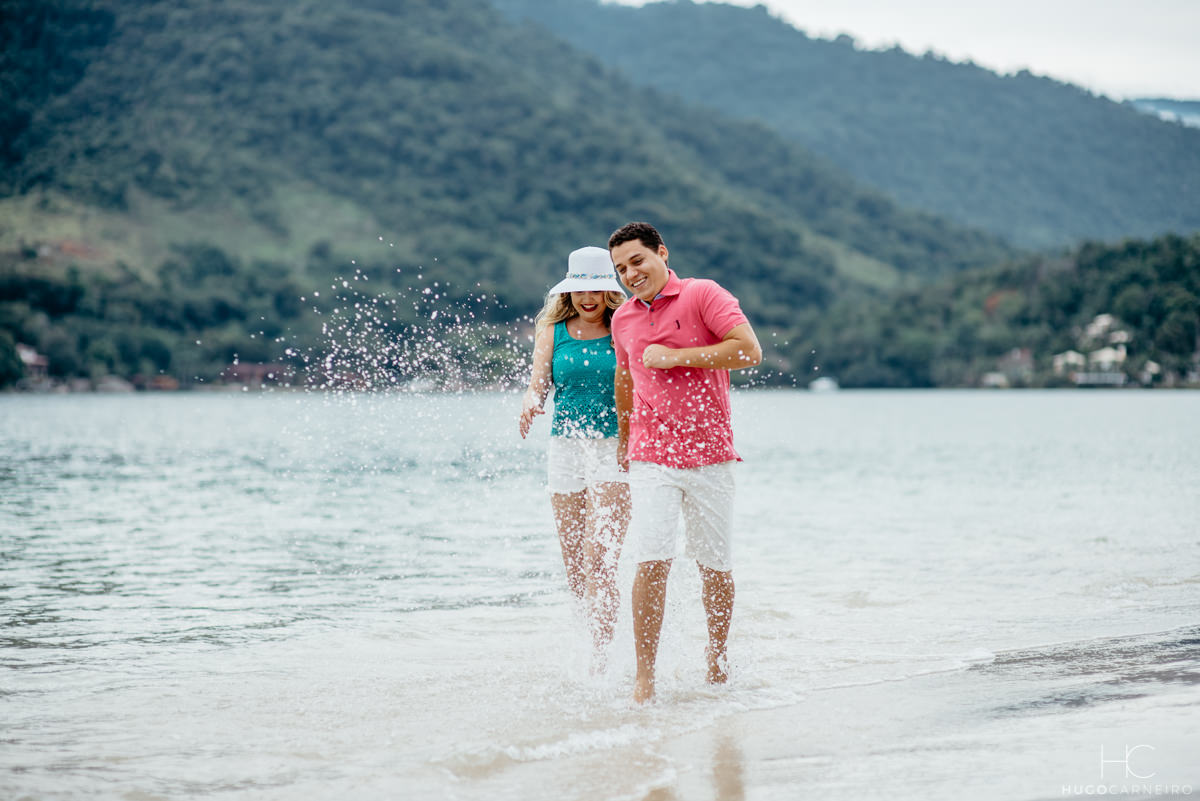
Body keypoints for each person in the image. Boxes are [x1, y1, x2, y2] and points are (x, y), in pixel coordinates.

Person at [608, 222, 762, 703]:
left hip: (712, 455)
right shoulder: (623, 319)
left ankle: (716, 663)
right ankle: (644, 680)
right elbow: (625, 377)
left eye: (637, 261)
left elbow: (748, 352)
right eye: (620, 269)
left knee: (714, 567)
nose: (631, 274)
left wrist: (677, 358)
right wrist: (624, 435)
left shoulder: (702, 294)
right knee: (651, 560)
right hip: (652, 455)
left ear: (661, 253)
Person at [519, 246, 632, 658]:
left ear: (608, 291)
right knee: (576, 568)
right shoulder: (554, 330)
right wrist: (531, 401)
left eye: (597, 290)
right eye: (581, 291)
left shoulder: (626, 324)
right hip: (565, 448)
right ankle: (591, 653)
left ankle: (604, 659)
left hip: (614, 449)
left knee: (599, 559)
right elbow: (538, 382)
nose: (588, 299)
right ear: (569, 292)